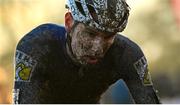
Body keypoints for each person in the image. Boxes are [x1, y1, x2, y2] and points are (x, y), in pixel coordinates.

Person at [13, 0, 160, 104]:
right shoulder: (36, 46)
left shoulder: (127, 54)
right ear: (69, 22)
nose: (97, 48)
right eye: (90, 34)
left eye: (108, 36)